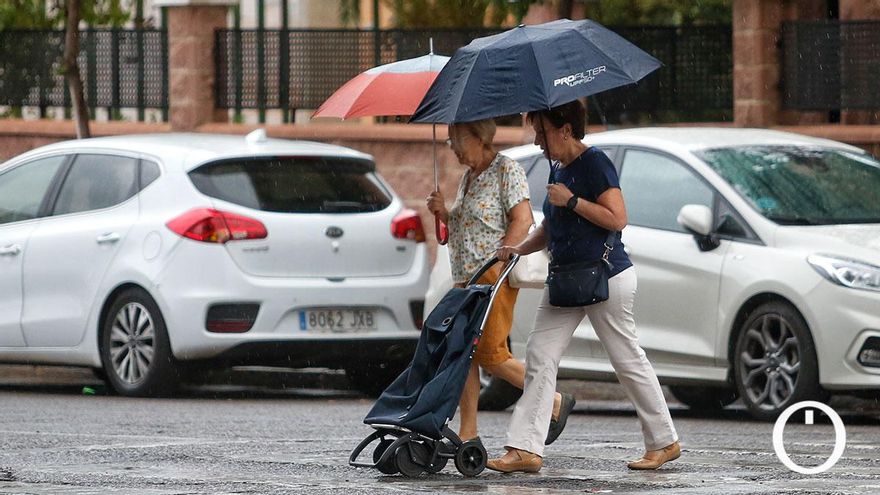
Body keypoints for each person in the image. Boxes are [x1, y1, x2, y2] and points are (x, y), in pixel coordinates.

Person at [487, 100, 680, 473]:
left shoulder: (595, 164)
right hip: (567, 279)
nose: (539, 141)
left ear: (564, 129)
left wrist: (573, 200)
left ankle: (664, 441)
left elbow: (617, 219)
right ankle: (525, 449)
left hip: (605, 276)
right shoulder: (558, 166)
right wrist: (517, 249)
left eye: (542, 132)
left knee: (626, 359)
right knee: (540, 356)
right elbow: (549, 228)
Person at [426, 118, 574, 447]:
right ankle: (468, 432)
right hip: (465, 281)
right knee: (462, 354)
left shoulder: (506, 170)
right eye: (450, 139)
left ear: (480, 138)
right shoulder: (469, 178)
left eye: (457, 139)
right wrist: (444, 214)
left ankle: (554, 400)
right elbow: (467, 229)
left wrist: (505, 255)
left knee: (492, 355)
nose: (452, 147)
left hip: (493, 276)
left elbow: (522, 219)